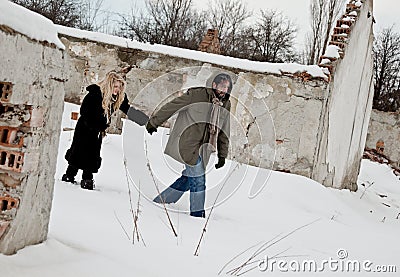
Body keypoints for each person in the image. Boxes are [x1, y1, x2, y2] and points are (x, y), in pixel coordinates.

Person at [146, 73, 232, 217]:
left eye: (227, 88)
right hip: (187, 145)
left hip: (203, 149)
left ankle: (162, 201)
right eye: (222, 86)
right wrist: (154, 122)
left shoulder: (226, 104)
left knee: (188, 179)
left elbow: (224, 130)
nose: (224, 90)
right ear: (214, 85)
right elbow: (173, 106)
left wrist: (222, 155)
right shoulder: (197, 95)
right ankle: (197, 216)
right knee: (198, 180)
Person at [62, 71, 148, 190]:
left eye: (119, 87)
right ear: (109, 85)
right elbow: (84, 112)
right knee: (79, 150)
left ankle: (79, 177)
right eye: (115, 86)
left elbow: (128, 109)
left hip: (98, 130)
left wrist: (145, 120)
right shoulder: (95, 94)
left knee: (92, 153)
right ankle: (76, 176)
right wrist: (97, 124)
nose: (117, 89)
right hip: (85, 127)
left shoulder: (117, 98)